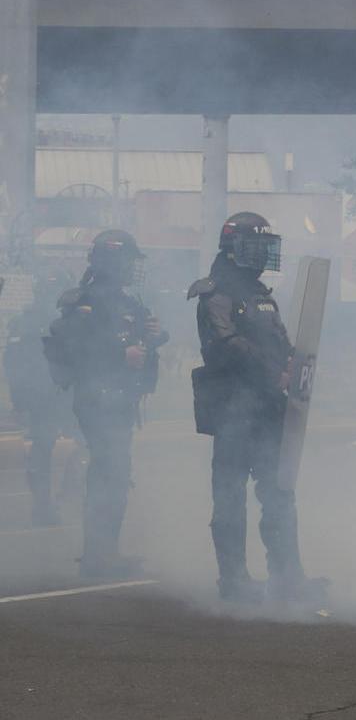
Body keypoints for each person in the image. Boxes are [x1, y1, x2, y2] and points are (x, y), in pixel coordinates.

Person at [190, 212, 324, 604]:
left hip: (268, 408)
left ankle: (287, 578)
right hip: (234, 408)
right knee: (230, 495)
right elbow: (225, 345)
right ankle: (234, 583)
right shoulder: (215, 293)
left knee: (279, 491)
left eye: (268, 246)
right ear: (232, 248)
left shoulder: (260, 294)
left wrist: (294, 364)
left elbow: (280, 341)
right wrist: (272, 372)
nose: (264, 254)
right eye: (256, 246)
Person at [44, 231, 165, 578]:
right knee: (107, 474)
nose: (131, 268)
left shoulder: (125, 302)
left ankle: (107, 551)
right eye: (126, 260)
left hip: (120, 400)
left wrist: (151, 334)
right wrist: (119, 353)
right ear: (112, 261)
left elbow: (139, 338)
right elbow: (76, 347)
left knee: (115, 473)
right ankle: (98, 555)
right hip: (98, 400)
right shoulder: (87, 302)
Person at [5, 267, 74, 527]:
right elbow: (14, 361)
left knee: (57, 447)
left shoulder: (67, 319)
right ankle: (46, 503)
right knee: (49, 447)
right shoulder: (31, 322)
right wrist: (20, 398)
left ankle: (56, 499)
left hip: (59, 393)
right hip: (49, 394)